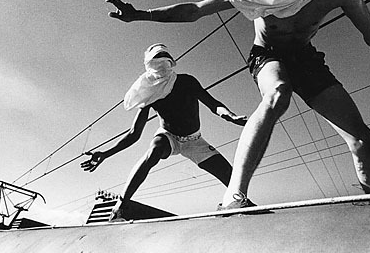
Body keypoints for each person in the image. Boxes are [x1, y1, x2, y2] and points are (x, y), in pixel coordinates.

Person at [105, 0, 370, 209]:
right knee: (278, 93)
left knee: (362, 139)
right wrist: (142, 15)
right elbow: (195, 9)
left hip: (305, 57)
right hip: (267, 55)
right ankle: (234, 195)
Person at [81, 43, 247, 220]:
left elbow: (213, 104)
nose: (162, 63)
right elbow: (134, 134)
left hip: (195, 141)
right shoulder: (150, 92)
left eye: (165, 57)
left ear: (171, 61)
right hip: (168, 137)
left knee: (231, 176)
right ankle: (121, 207)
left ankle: (236, 202)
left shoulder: (187, 81)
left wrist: (230, 116)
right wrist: (106, 154)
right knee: (154, 149)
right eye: (156, 59)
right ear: (149, 66)